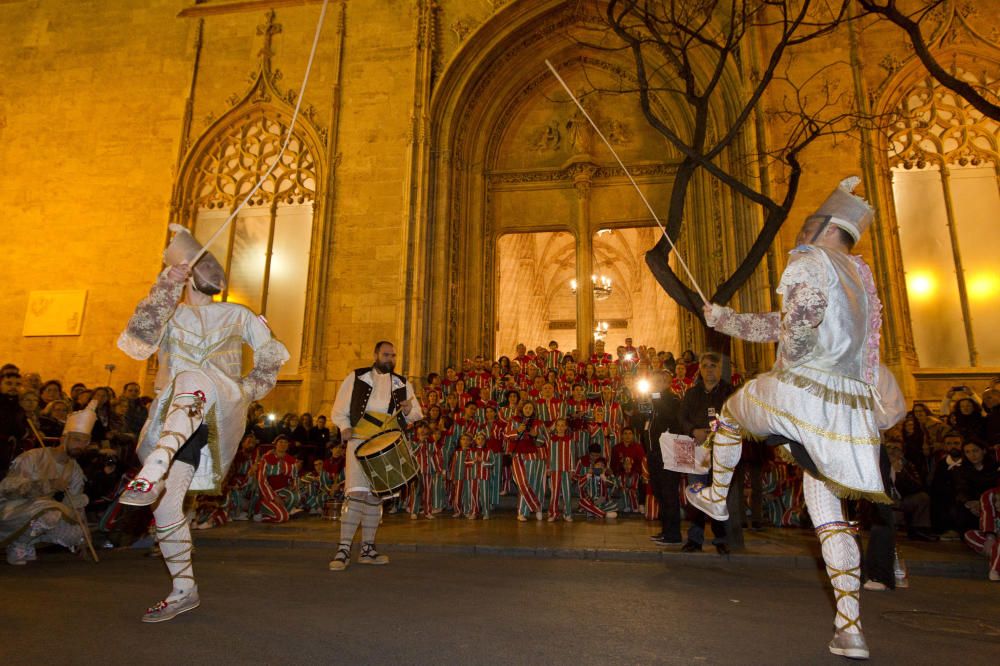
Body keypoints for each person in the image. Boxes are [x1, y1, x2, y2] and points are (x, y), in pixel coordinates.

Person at [690, 177, 905, 660]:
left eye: (810, 222)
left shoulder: (812, 259)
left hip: (807, 389)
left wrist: (788, 367)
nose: (801, 229)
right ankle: (850, 630)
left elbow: (800, 322)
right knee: (830, 519)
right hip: (849, 411)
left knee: (729, 412)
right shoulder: (859, 278)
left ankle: (715, 497)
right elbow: (782, 321)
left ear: (827, 227)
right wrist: (724, 319)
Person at [116, 225, 289, 622]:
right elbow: (137, 342)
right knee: (165, 511)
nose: (215, 269)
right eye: (203, 263)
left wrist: (247, 390)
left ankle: (152, 470)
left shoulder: (238, 313)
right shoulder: (171, 313)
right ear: (187, 272)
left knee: (196, 378)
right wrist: (164, 288)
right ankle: (183, 590)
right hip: (173, 421)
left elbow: (271, 353)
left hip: (218, 413)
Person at [328, 341, 422, 571]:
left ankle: (368, 549)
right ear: (376, 354)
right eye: (386, 354)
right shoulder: (357, 377)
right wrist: (344, 427)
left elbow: (417, 413)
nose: (390, 359)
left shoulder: (401, 382)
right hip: (359, 441)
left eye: (393, 355)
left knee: (375, 496)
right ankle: (343, 549)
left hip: (386, 443)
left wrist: (409, 410)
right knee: (356, 494)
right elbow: (339, 408)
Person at [1, 405, 94, 565]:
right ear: (64, 439)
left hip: (42, 510)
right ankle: (18, 545)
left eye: (85, 442)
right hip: (12, 508)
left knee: (77, 533)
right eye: (77, 440)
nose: (81, 445)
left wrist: (86, 537)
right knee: (51, 511)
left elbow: (75, 503)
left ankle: (29, 541)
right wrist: (48, 485)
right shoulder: (33, 457)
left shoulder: (75, 470)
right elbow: (8, 489)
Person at [679, 352, 732, 555]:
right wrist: (694, 431)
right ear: (700, 369)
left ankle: (721, 539)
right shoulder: (692, 394)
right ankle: (695, 538)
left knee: (719, 494)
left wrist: (717, 431)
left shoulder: (728, 392)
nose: (709, 370)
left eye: (713, 366)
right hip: (698, 450)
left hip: (722, 450)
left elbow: (735, 416)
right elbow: (682, 417)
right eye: (706, 366)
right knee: (697, 494)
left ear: (720, 369)